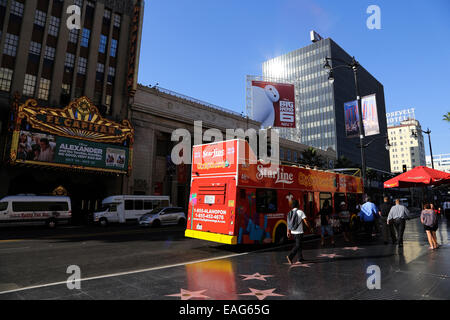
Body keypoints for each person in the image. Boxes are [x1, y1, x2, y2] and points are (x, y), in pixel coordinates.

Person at [286, 200, 311, 264]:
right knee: (298, 245)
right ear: (298, 205)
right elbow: (305, 221)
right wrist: (310, 227)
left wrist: (288, 232)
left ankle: (300, 258)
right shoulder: (300, 212)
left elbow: (288, 223)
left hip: (292, 231)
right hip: (299, 232)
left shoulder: (289, 212)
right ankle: (290, 256)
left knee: (299, 244)